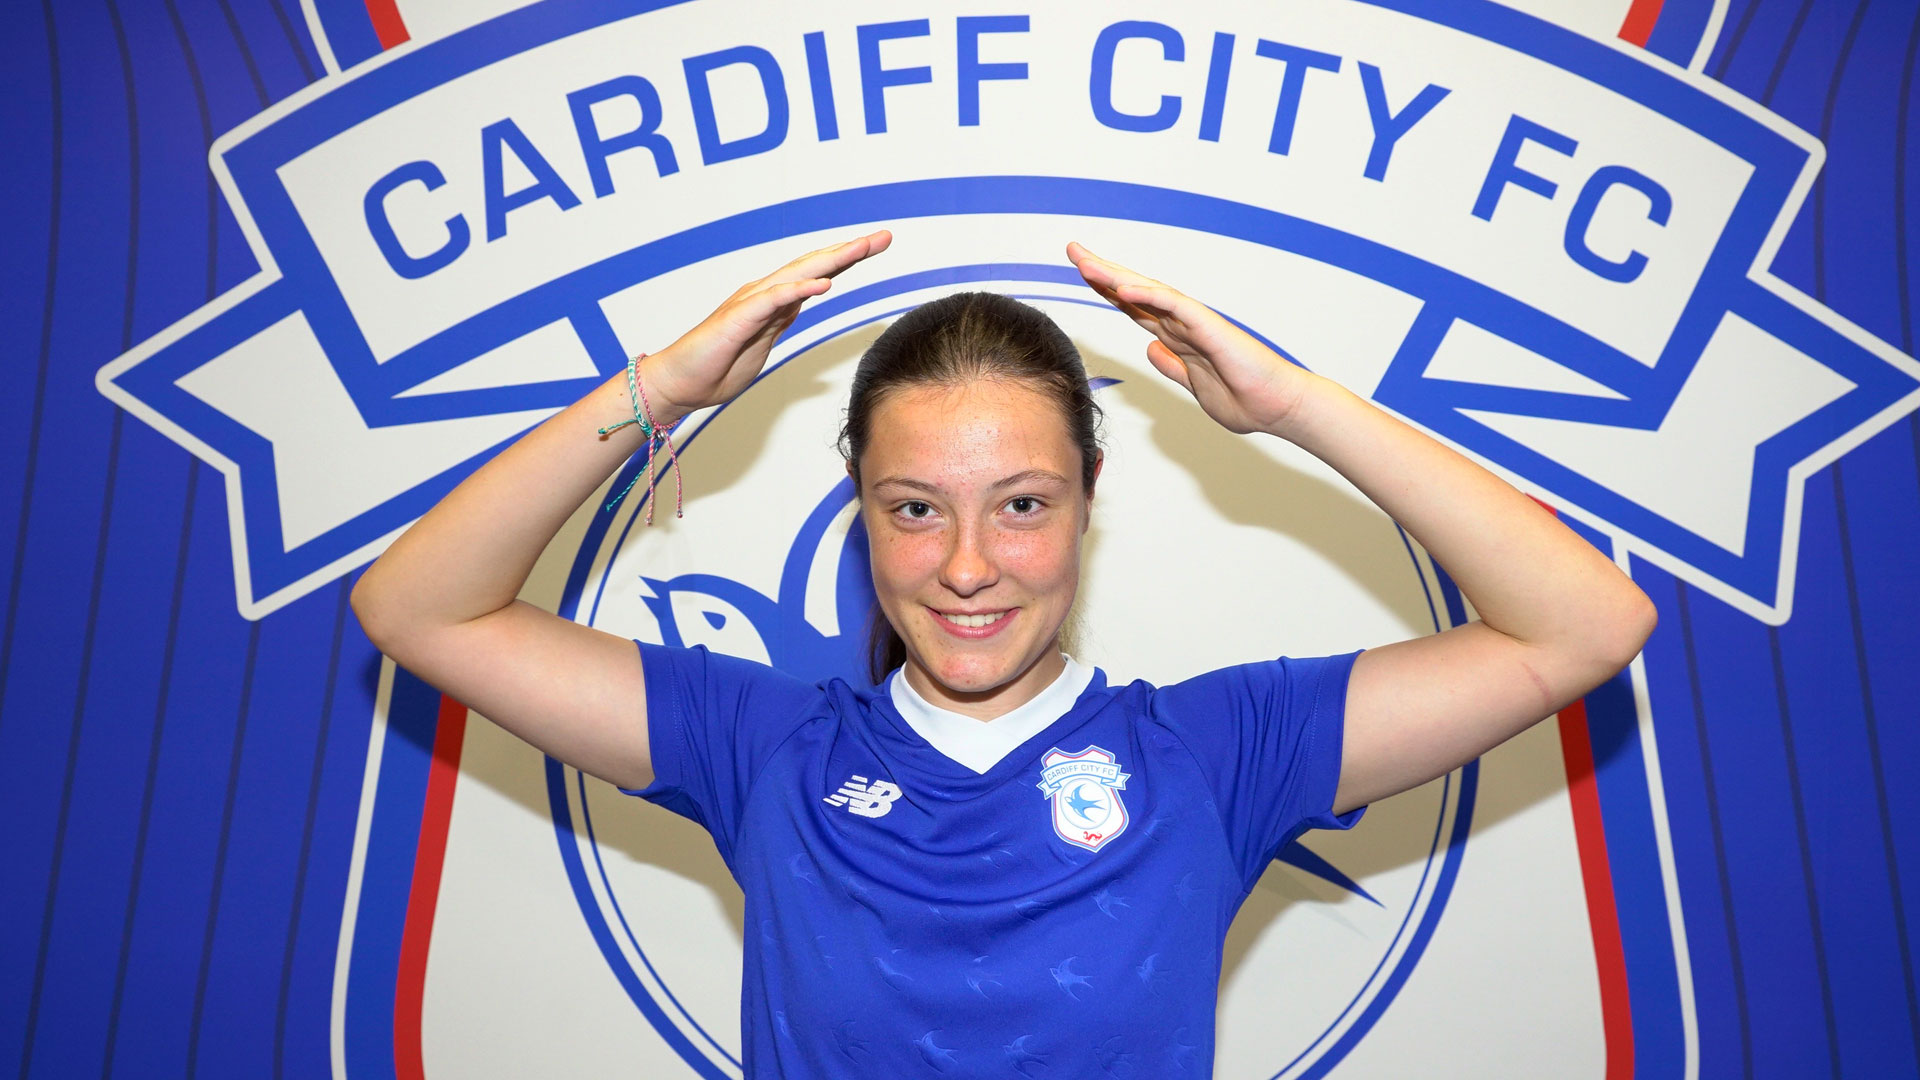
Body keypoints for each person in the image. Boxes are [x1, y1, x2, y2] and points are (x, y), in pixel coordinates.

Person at [350, 228, 1656, 1077]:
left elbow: (1588, 624)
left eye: (1021, 504)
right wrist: (663, 391)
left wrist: (1296, 404)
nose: (967, 565)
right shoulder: (764, 749)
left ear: (1091, 498)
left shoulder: (1216, 755)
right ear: (859, 510)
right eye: (915, 508)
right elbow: (418, 609)